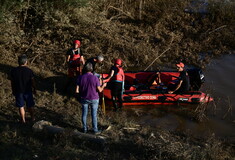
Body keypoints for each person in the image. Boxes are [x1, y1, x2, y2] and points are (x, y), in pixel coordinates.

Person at [76, 63, 107, 134]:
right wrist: (103, 86)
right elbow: (99, 90)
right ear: (91, 69)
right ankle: (95, 130)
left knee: (84, 114)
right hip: (94, 98)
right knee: (94, 114)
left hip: (84, 98)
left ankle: (84, 129)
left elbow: (77, 90)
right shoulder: (95, 78)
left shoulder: (80, 77)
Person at [11, 54, 36, 123]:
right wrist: (34, 89)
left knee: (21, 106)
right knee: (30, 105)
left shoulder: (14, 71)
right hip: (28, 91)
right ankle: (33, 117)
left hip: (18, 91)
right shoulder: (29, 71)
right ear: (26, 62)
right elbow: (33, 81)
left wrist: (13, 90)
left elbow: (12, 82)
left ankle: (23, 119)